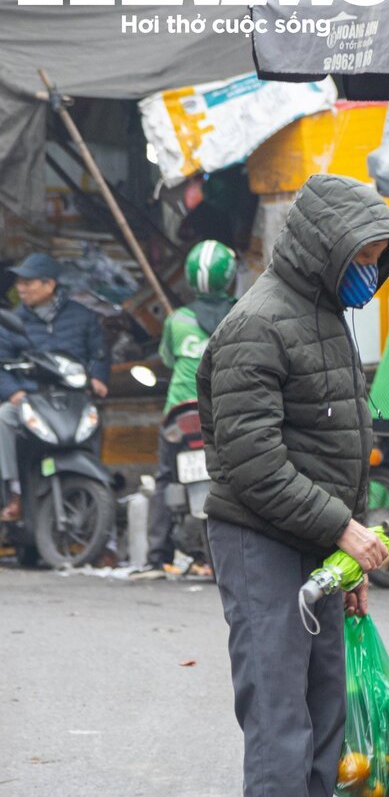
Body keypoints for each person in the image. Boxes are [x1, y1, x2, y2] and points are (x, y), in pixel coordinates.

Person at [198, 173, 389, 797]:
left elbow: (330, 447)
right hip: (258, 540)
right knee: (280, 716)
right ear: (326, 249)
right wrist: (344, 530)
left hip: (313, 545)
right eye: (365, 258)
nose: (370, 274)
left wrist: (343, 555)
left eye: (380, 261)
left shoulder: (326, 317)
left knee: (323, 714)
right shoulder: (259, 322)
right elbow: (253, 461)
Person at [135, 239, 236, 578]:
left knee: (164, 479)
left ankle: (154, 557)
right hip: (222, 411)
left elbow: (166, 358)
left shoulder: (178, 321)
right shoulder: (241, 315)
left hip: (179, 413)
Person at [0, 253, 109, 524]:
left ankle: (94, 485)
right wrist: (13, 392)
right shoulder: (12, 322)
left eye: (28, 282)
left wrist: (98, 377)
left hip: (72, 399)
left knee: (94, 422)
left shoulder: (81, 316)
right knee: (3, 418)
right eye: (19, 283)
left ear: (49, 285)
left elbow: (100, 352)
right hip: (30, 400)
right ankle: (15, 492)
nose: (20, 289)